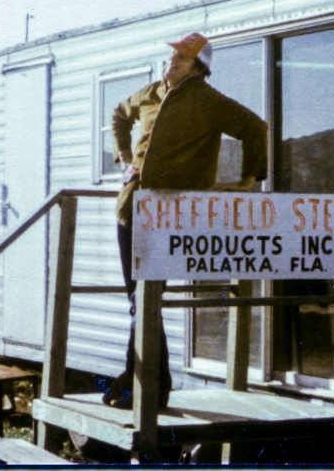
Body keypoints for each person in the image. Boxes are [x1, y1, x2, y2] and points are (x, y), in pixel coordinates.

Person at [103, 32, 268, 410]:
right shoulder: (151, 92)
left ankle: (146, 386)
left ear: (199, 67)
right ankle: (145, 382)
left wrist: (248, 180)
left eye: (182, 58)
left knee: (147, 299)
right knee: (138, 299)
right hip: (131, 206)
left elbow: (255, 128)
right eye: (172, 56)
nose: (172, 62)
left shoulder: (208, 100)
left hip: (170, 211)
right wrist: (124, 154)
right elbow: (118, 114)